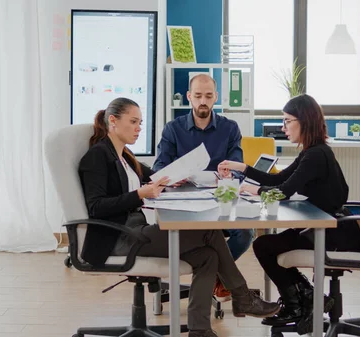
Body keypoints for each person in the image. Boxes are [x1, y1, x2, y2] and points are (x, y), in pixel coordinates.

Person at [78, 97, 280, 337]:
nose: (138, 128)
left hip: (136, 229)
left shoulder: (124, 155)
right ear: (113, 121)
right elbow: (96, 207)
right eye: (133, 122)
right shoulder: (98, 156)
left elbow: (152, 174)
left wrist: (174, 177)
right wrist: (139, 194)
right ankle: (242, 297)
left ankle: (200, 329)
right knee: (209, 231)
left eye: (140, 123)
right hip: (120, 238)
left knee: (207, 256)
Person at [217, 94, 360, 329]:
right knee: (265, 245)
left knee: (263, 246)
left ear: (304, 121)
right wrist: (241, 167)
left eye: (288, 121)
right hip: (323, 226)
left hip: (333, 233)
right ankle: (305, 297)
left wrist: (254, 190)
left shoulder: (316, 155)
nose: (283, 127)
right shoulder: (312, 152)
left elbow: (284, 190)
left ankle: (297, 303)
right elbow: (277, 178)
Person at [153, 74, 254, 301]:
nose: (203, 101)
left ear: (215, 98)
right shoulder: (173, 129)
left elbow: (238, 168)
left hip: (219, 201)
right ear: (189, 97)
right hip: (184, 203)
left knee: (247, 233)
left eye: (208, 96)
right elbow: (159, 167)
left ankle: (217, 277)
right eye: (198, 96)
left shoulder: (230, 128)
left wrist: (229, 175)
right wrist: (171, 177)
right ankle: (220, 278)